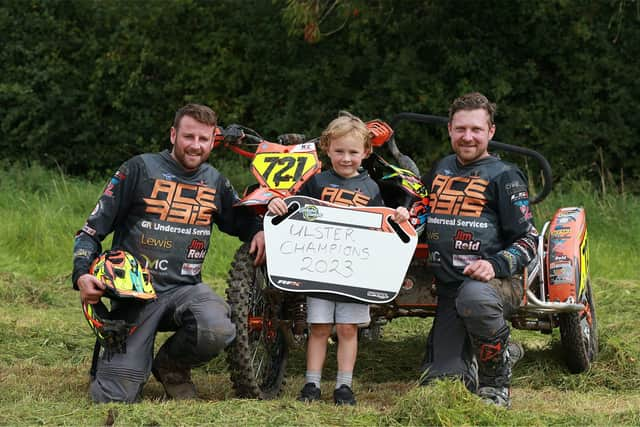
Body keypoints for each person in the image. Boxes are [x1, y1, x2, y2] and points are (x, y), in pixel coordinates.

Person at [72, 103, 265, 403]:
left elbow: (241, 219)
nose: (196, 146)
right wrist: (82, 275)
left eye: (204, 140)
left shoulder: (215, 181)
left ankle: (171, 365)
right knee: (113, 398)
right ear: (173, 134)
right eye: (189, 137)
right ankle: (117, 362)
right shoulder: (138, 169)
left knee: (217, 327)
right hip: (135, 296)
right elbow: (89, 232)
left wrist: (257, 231)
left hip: (185, 290)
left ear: (213, 141)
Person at [268, 112, 410, 405]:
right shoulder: (316, 182)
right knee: (318, 328)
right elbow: (294, 211)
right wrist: (277, 203)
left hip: (354, 273)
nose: (346, 158)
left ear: (366, 152)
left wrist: (399, 215)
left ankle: (344, 386)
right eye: (339, 151)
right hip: (319, 270)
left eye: (353, 152)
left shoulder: (372, 188)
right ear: (327, 148)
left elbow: (381, 227)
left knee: (348, 329)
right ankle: (312, 384)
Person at [420, 92, 537, 408]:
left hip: (495, 286)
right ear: (449, 130)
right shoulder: (441, 168)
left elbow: (529, 241)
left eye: (476, 129)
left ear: (491, 132)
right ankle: (501, 349)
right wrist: (406, 213)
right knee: (442, 382)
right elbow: (419, 207)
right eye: (460, 129)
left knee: (475, 296)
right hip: (448, 289)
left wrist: (495, 265)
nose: (467, 137)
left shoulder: (505, 176)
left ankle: (496, 385)